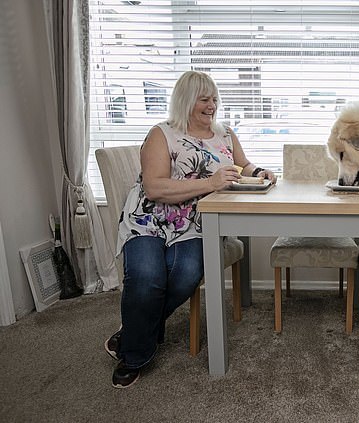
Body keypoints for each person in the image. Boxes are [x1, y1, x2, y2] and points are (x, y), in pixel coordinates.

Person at [104, 70, 276, 388]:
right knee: (147, 277)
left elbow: (243, 165)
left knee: (185, 276)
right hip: (149, 219)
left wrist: (262, 171)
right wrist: (210, 182)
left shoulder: (225, 133)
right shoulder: (162, 134)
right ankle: (134, 354)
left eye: (214, 99)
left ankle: (131, 332)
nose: (211, 106)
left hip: (195, 223)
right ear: (186, 100)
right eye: (204, 99)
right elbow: (154, 188)